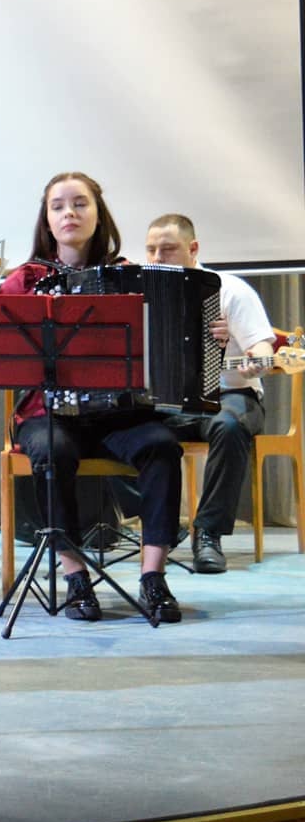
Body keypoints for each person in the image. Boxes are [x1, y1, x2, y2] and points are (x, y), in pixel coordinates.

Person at [0, 172, 184, 623]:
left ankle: (153, 577)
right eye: (58, 206)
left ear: (99, 214)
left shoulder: (130, 275)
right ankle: (75, 576)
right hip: (49, 414)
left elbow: (170, 338)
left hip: (119, 415)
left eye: (80, 204)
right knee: (52, 452)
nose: (69, 213)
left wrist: (207, 335)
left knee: (162, 446)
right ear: (46, 218)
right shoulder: (23, 280)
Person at [142, 214, 276, 573]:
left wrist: (257, 359)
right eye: (151, 250)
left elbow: (262, 345)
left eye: (168, 249)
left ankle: (208, 534)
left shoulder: (230, 289)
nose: (157, 258)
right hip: (167, 401)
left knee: (228, 426)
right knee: (111, 426)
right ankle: (162, 525)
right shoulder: (140, 295)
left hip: (229, 395)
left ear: (193, 248)